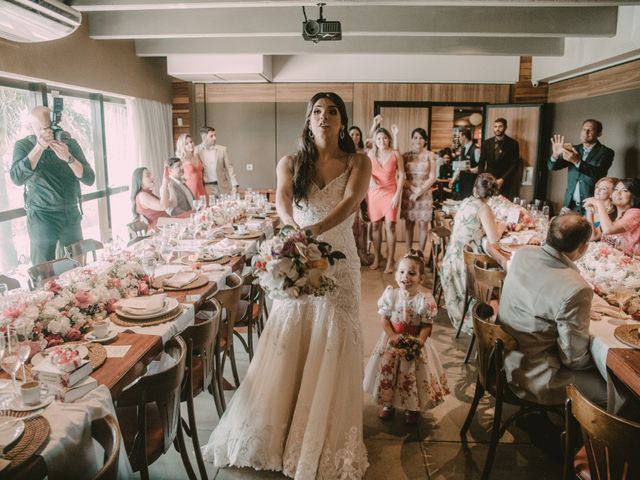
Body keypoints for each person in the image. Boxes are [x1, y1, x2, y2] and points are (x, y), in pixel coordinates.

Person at [202, 92, 371, 479]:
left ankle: (320, 435)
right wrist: (294, 234)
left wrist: (313, 231)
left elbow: (350, 203)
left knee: (333, 337)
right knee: (291, 333)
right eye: (317, 112)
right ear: (308, 121)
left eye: (332, 112)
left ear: (342, 121)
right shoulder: (291, 162)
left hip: (340, 263)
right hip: (297, 253)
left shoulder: (359, 161)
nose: (324, 117)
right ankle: (278, 427)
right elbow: (281, 200)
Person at [498, 213, 607, 407]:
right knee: (618, 394)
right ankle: (576, 436)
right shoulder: (576, 288)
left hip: (505, 359)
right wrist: (602, 365)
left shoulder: (523, 253)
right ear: (583, 248)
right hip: (537, 375)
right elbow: (574, 359)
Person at [363, 251, 450, 425]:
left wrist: (419, 342)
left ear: (421, 278)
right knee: (389, 372)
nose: (406, 277)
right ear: (396, 276)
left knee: (411, 376)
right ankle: (388, 404)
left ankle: (412, 407)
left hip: (414, 342)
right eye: (402, 272)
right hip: (393, 342)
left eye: (412, 273)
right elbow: (385, 320)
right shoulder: (391, 296)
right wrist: (392, 336)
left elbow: (426, 326)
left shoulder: (423, 300)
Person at [10, 106, 95, 265]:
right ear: (33, 128)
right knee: (44, 271)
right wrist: (39, 147)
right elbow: (16, 178)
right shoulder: (24, 146)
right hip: (42, 216)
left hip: (71, 213)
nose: (51, 132)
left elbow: (89, 179)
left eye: (53, 126)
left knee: (78, 267)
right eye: (45, 129)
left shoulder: (70, 144)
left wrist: (68, 157)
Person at [440, 174, 506, 331]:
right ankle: (497, 319)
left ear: (475, 188)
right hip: (467, 266)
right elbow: (494, 239)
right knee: (504, 272)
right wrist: (501, 227)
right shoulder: (484, 208)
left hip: (452, 259)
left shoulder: (466, 201)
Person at [549, 119, 614, 213]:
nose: (586, 132)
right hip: (569, 205)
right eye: (584, 129)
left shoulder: (606, 152)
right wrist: (555, 155)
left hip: (591, 205)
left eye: (590, 130)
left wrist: (576, 161)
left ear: (599, 133)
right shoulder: (574, 149)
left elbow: (598, 173)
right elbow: (553, 167)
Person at [368, 127, 405, 273]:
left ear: (389, 138)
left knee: (390, 225)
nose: (381, 141)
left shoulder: (395, 154)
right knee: (375, 225)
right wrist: (370, 179)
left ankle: (390, 260)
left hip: (391, 192)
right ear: (375, 141)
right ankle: (377, 257)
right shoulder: (371, 153)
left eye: (384, 138)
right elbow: (366, 169)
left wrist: (397, 194)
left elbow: (402, 175)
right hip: (375, 193)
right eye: (378, 139)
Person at [400, 128, 437, 254]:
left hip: (425, 194)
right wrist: (413, 189)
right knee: (409, 224)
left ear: (425, 140)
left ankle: (421, 253)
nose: (418, 140)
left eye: (421, 138)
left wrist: (419, 191)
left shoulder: (430, 155)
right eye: (415, 137)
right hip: (409, 193)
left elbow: (433, 177)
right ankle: (408, 252)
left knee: (423, 225)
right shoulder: (405, 156)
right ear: (411, 140)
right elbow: (400, 176)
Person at [583, 178, 640, 255]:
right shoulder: (612, 215)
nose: (618, 193)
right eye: (616, 189)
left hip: (627, 261)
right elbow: (592, 237)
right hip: (608, 259)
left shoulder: (635, 213)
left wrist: (599, 204)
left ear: (634, 195)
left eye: (625, 190)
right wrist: (589, 213)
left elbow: (608, 230)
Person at [479, 117, 521, 199]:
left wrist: (502, 179)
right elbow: (481, 162)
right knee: (488, 204)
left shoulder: (513, 144)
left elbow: (514, 164)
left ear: (505, 127)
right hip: (488, 181)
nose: (497, 129)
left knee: (502, 206)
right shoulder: (486, 143)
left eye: (500, 126)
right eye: (495, 126)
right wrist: (483, 177)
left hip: (505, 181)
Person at [349, 125, 373, 265]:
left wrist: (374, 125)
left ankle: (362, 253)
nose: (355, 137)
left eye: (357, 134)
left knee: (363, 224)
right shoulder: (345, 154)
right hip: (349, 191)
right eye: (352, 134)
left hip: (365, 190)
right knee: (352, 225)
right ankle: (352, 255)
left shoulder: (365, 152)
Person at [195, 126, 239, 197]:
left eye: (215, 135)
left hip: (223, 187)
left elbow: (229, 168)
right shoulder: (196, 151)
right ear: (204, 137)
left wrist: (234, 185)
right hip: (206, 188)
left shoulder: (222, 149)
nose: (214, 138)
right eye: (211, 136)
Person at [584, 176, 618, 241]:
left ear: (612, 194)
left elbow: (592, 238)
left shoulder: (613, 213)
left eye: (604, 189)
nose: (598, 190)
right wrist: (589, 212)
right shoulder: (591, 208)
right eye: (597, 187)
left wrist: (589, 214)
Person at [175, 133, 206, 201]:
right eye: (187, 143)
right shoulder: (181, 160)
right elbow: (177, 178)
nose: (190, 144)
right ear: (182, 146)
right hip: (191, 190)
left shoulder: (197, 156)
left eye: (191, 142)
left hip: (201, 188)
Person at [449, 128, 479, 199]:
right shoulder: (463, 149)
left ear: (464, 136)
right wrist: (453, 180)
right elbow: (459, 167)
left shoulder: (476, 150)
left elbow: (482, 167)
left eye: (459, 137)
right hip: (462, 183)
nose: (459, 139)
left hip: (472, 184)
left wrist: (471, 170)